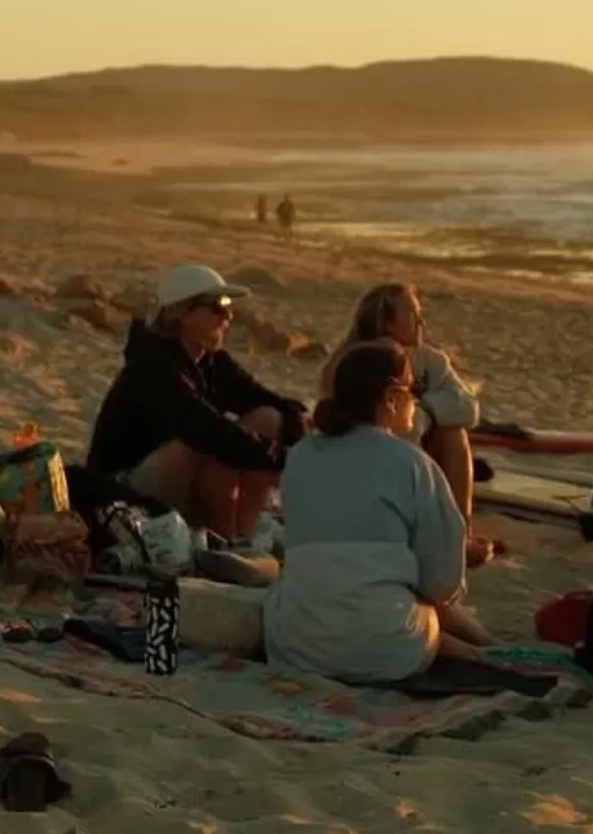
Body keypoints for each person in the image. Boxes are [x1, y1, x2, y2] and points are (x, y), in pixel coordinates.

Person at [266, 340, 496, 683]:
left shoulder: (301, 455)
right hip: (388, 652)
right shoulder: (410, 463)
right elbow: (442, 583)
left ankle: (469, 647)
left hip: (295, 646)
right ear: (391, 397)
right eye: (413, 389)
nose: (416, 400)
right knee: (419, 609)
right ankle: (477, 650)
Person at [85, 264, 307, 541]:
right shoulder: (153, 367)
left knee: (268, 418)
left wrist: (298, 437)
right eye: (217, 306)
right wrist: (288, 459)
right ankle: (222, 539)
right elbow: (206, 430)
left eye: (229, 306)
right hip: (126, 491)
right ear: (180, 313)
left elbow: (268, 400)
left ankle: (241, 536)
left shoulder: (209, 360)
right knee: (207, 445)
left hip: (180, 478)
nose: (228, 316)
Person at [336, 281, 485, 542]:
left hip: (416, 454)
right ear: (388, 323)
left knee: (454, 435)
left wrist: (424, 407)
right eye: (412, 314)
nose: (421, 322)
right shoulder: (354, 363)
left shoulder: (430, 361)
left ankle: (459, 534)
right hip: (367, 458)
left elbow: (468, 408)